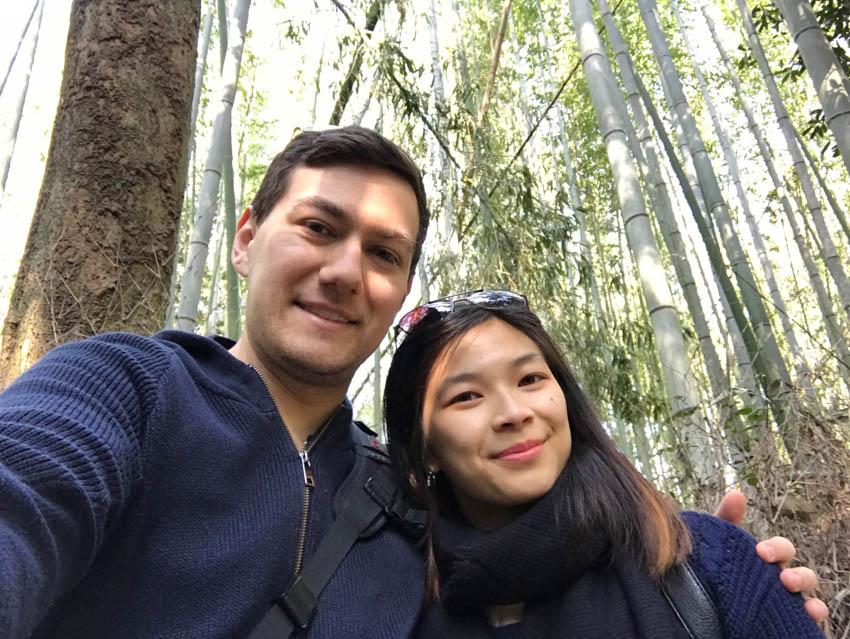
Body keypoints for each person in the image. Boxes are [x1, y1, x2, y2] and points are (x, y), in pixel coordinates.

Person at [0, 128, 823, 638]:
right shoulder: (127, 390)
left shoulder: (408, 509)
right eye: (319, 228)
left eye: (384, 254)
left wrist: (719, 573)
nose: (345, 271)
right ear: (247, 237)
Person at [384, 290, 826, 638]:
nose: (513, 412)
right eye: (466, 397)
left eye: (530, 379)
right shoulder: (389, 608)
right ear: (427, 448)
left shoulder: (708, 563)